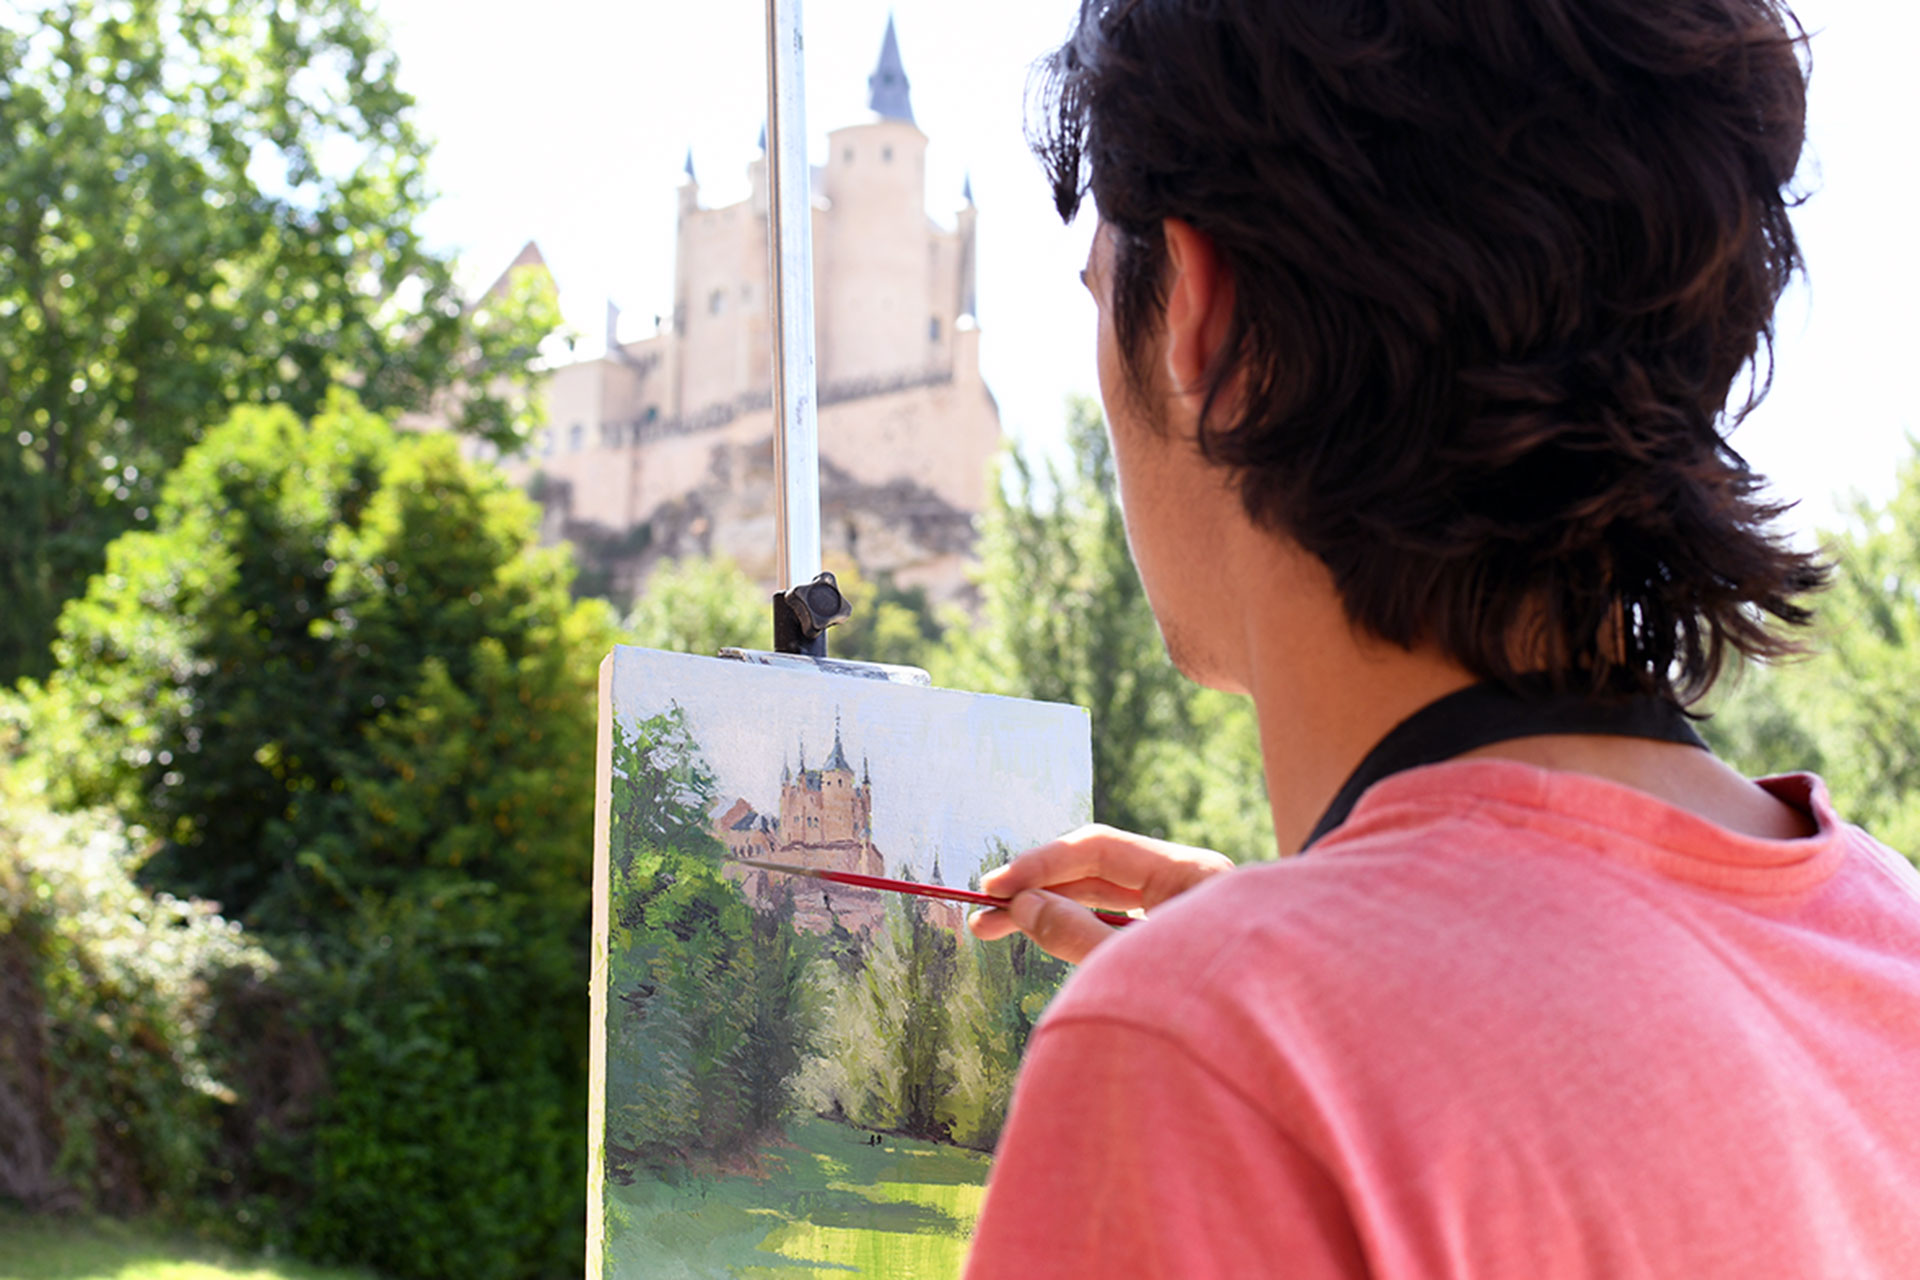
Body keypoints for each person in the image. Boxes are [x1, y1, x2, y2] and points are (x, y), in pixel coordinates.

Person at [962, 0, 1920, 1275]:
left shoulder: (1202, 1052)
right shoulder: (1893, 950)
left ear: (1203, 312)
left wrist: (1252, 1023)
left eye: (1099, 290)